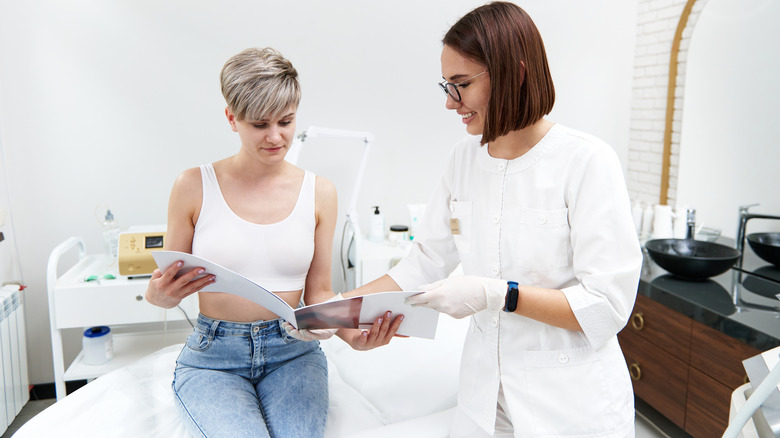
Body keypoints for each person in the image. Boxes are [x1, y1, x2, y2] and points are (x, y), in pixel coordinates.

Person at [343, 3, 643, 437]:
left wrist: (497, 294)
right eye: (447, 86)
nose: (450, 103)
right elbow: (422, 262)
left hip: (571, 406)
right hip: (484, 399)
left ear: (514, 74)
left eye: (461, 85)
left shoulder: (585, 161)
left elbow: (606, 307)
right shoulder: (463, 160)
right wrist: (332, 314)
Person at [144, 47, 396, 438]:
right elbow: (165, 285)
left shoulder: (320, 191)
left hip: (293, 353)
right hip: (214, 357)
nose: (276, 136)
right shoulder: (193, 186)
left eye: (286, 121)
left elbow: (319, 293)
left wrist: (353, 336)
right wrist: (160, 296)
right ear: (232, 118)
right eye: (260, 124)